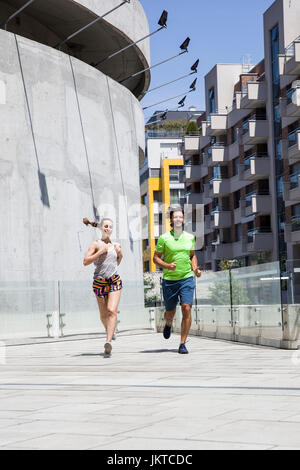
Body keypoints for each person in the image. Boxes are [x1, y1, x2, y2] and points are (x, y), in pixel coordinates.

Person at [153, 206, 201, 354]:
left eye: (180, 217)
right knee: (170, 312)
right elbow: (155, 258)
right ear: (171, 220)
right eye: (175, 217)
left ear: (183, 219)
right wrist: (167, 265)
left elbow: (192, 255)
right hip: (169, 280)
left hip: (186, 278)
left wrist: (195, 269)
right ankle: (168, 323)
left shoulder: (189, 237)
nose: (178, 219)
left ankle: (182, 343)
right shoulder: (164, 238)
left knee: (186, 308)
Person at [83, 217, 123, 356]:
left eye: (110, 227)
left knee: (111, 311)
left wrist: (119, 253)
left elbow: (118, 262)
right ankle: (111, 331)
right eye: (105, 226)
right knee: (103, 315)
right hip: (99, 282)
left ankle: (108, 342)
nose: (108, 228)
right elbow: (85, 261)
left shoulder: (116, 244)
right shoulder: (96, 244)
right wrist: (101, 251)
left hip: (114, 281)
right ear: (101, 228)